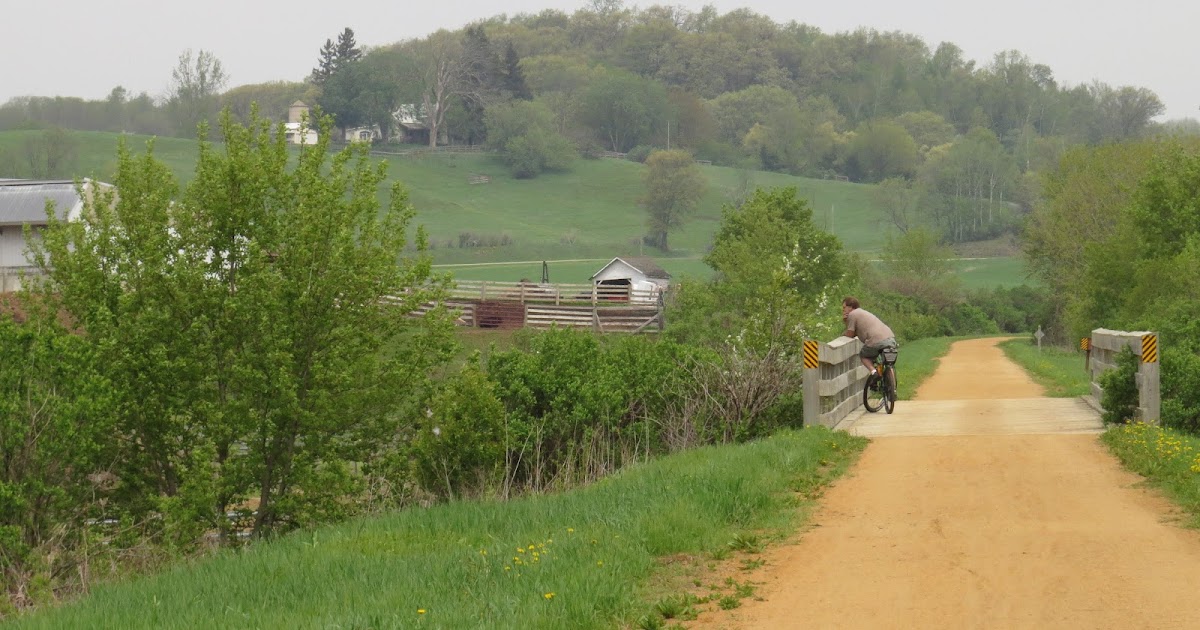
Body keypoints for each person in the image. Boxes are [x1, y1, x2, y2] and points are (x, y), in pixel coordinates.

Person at [841, 296, 897, 384]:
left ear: (851, 307)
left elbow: (850, 334)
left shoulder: (852, 315)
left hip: (875, 341)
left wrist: (845, 322)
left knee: (864, 356)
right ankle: (891, 384)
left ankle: (873, 372)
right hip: (890, 338)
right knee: (887, 362)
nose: (843, 310)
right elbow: (857, 331)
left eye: (844, 308)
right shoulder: (863, 313)